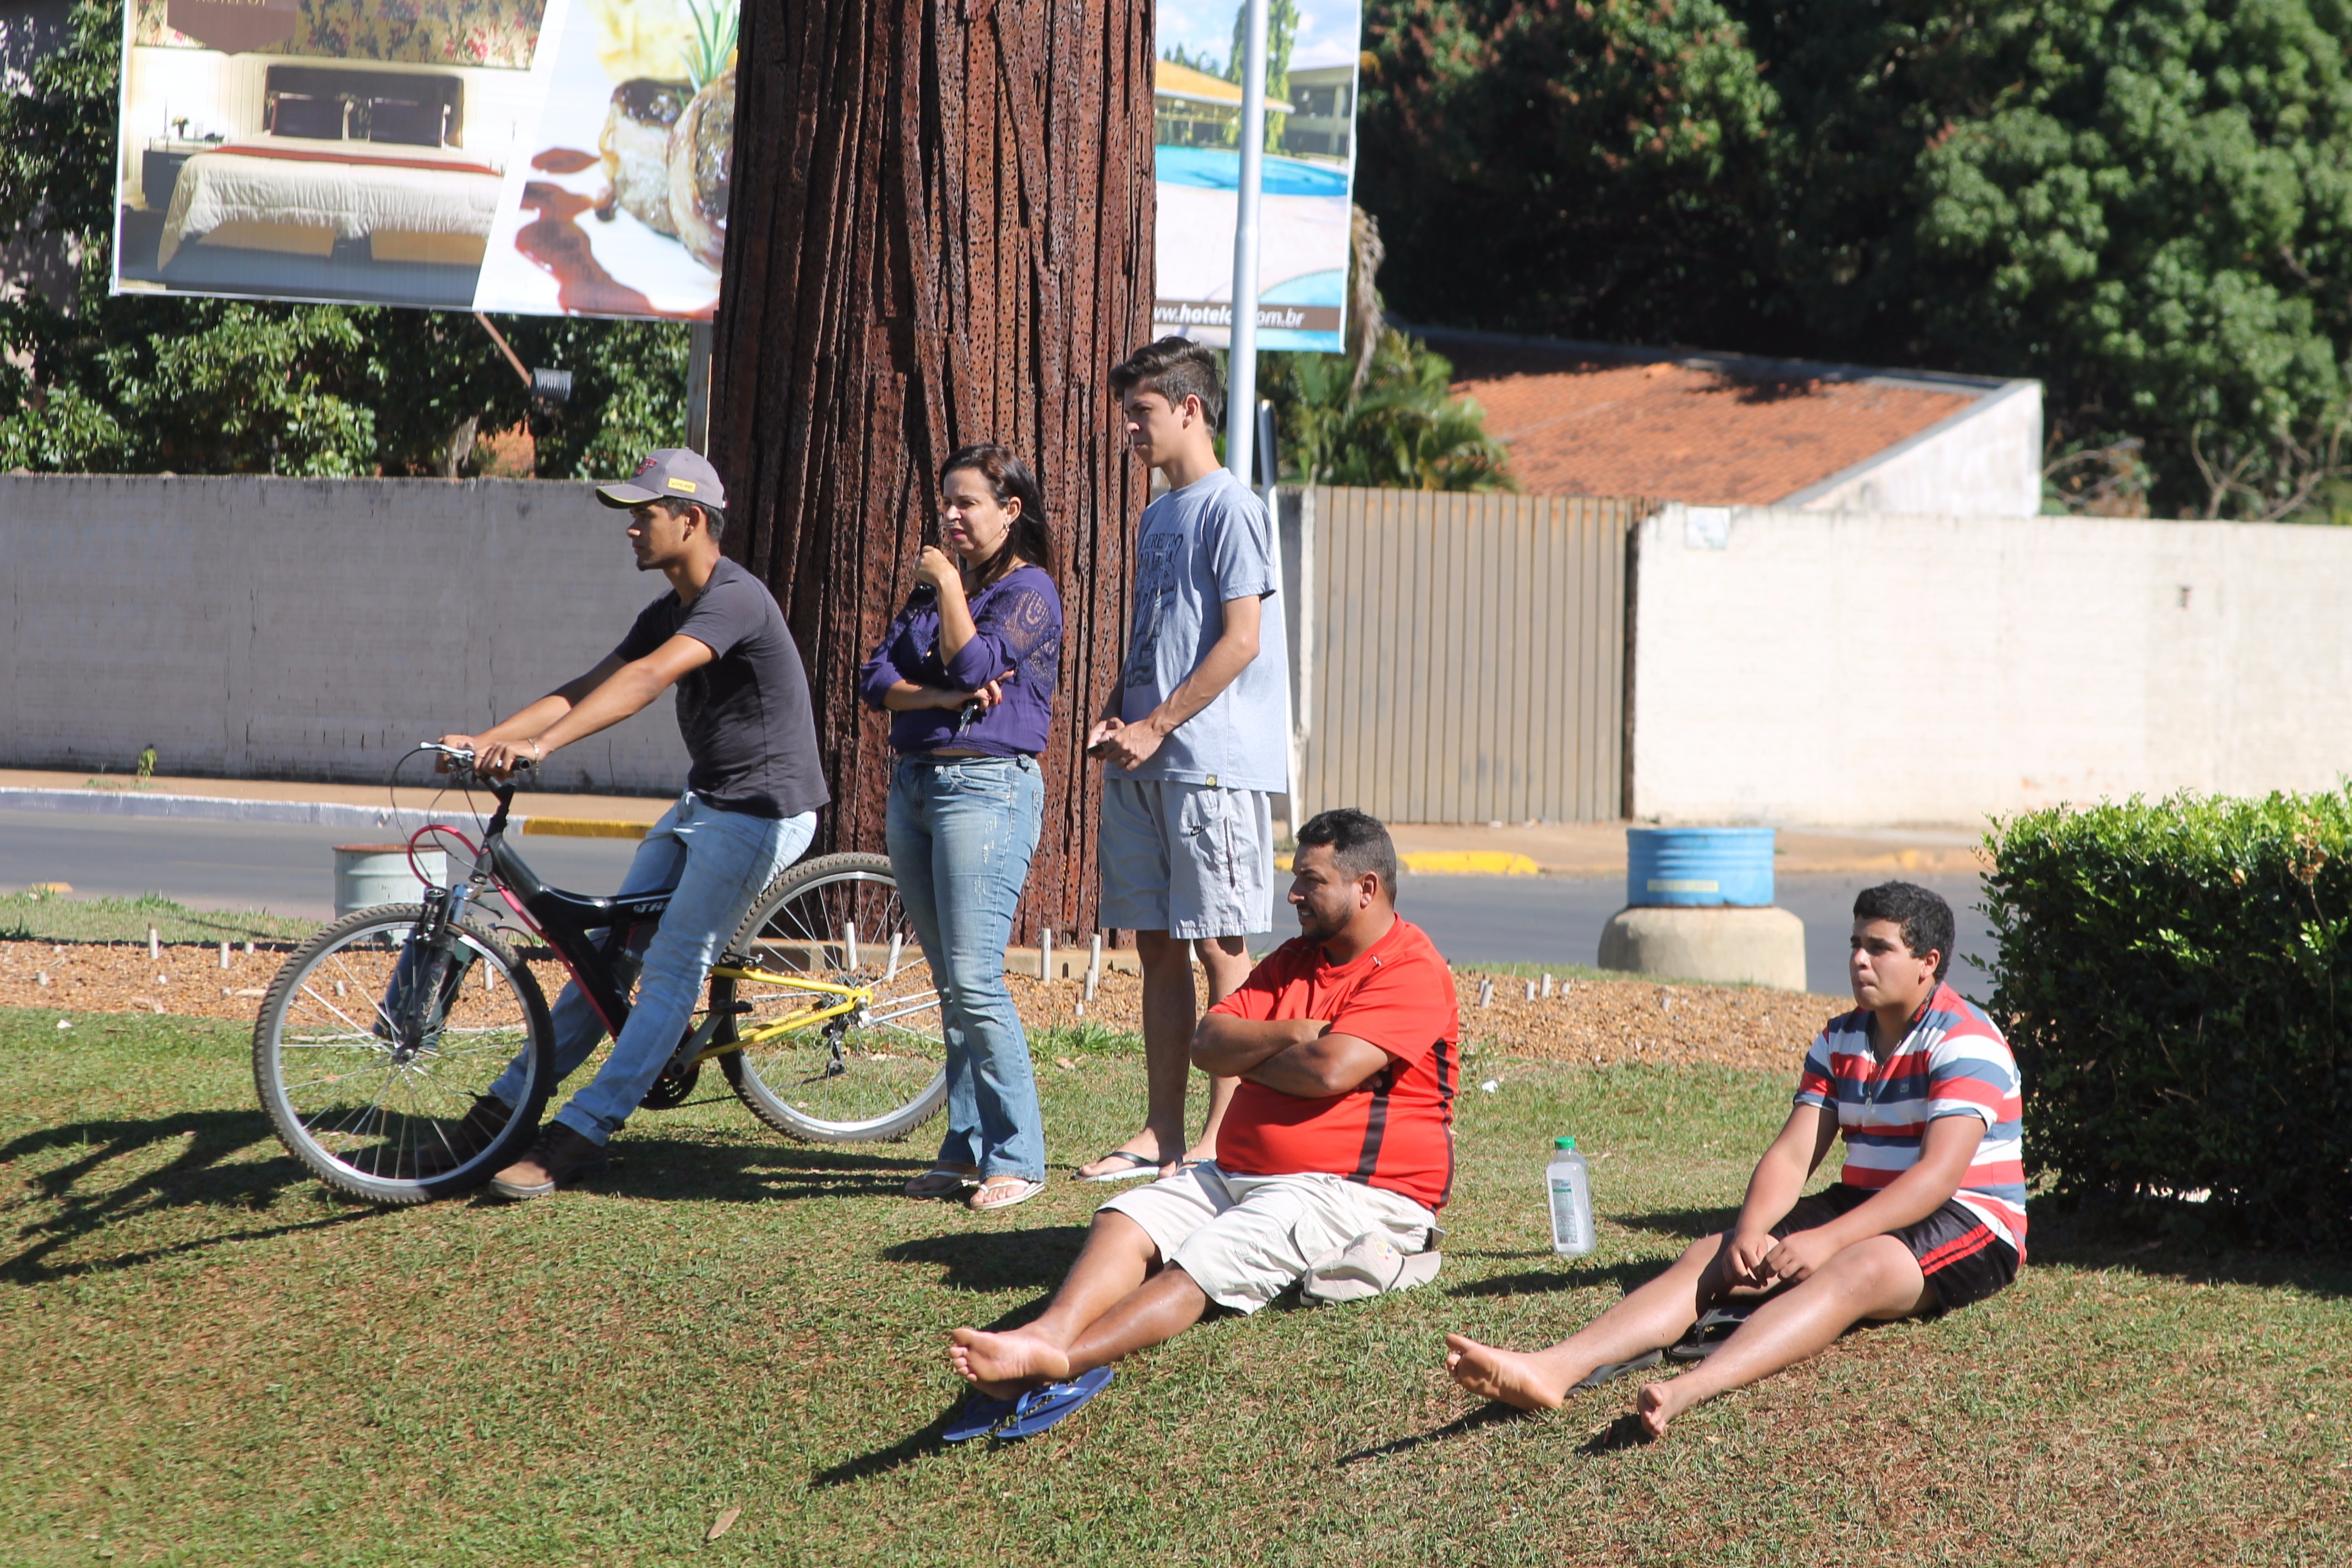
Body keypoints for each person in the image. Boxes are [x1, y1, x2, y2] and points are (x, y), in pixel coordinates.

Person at [1443, 881, 2026, 1439]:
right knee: (1715, 1254)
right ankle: (1552, 1368)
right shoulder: (1841, 1036)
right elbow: (1796, 1151)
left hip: (1967, 1215)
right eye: (1855, 944)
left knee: (1859, 1268)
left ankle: (1690, 1389)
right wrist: (1752, 1230)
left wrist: (1827, 1242)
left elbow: (1936, 1177)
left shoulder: (1965, 1037)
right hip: (1870, 1199)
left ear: (1928, 961)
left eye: (1879, 948)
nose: (1859, 961)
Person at [947, 809, 1457, 1417]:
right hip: (1239, 1174)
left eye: (1312, 880)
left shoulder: (1412, 969)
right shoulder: (1296, 959)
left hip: (1354, 1193)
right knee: (1126, 1214)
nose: (1293, 893)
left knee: (1209, 1254)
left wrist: (1252, 1055)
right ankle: (1049, 1332)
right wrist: (1291, 1032)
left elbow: (1329, 1072)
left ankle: (1065, 1360)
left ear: (1366, 888)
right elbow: (1208, 1043)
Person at [435, 448, 829, 1199]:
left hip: (764, 811)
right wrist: (489, 739)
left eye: (642, 515)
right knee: (604, 956)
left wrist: (542, 748)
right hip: (705, 799)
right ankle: (514, 1102)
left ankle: (582, 1136)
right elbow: (588, 686)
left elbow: (647, 681)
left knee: (676, 961)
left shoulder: (736, 598)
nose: (630, 530)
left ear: (691, 520)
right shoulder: (667, 609)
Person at [1077, 336, 1290, 1182]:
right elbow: (1155, 635)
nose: (1129, 428)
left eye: (1142, 412)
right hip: (1144, 760)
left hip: (1209, 764)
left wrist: (1159, 723)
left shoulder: (1233, 506)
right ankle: (1163, 1132)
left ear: (1190, 408)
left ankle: (1222, 1139)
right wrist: (1115, 712)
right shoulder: (1157, 512)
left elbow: (1241, 641)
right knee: (1157, 946)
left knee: (1220, 949)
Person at [857, 444, 1064, 1212]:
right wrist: (942, 702)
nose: (949, 516)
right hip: (915, 784)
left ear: (1010, 512)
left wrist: (945, 584)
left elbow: (976, 662)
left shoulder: (1030, 592)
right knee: (952, 984)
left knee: (976, 979)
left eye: (966, 503)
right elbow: (878, 680)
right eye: (945, 501)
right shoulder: (940, 589)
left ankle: (1020, 1155)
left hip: (986, 788)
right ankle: (966, 1144)